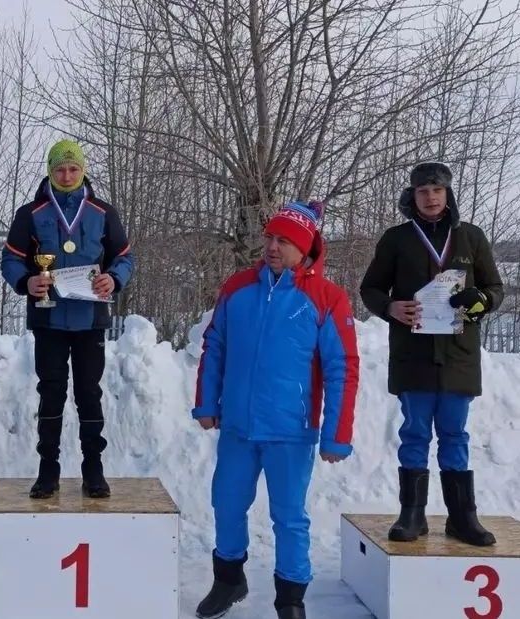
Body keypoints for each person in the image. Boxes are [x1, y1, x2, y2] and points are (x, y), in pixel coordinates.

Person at [192, 201, 359, 619]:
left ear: (304, 248)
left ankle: (290, 599)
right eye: (269, 237)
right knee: (226, 504)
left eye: (284, 240)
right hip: (238, 428)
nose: (272, 246)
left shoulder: (326, 298)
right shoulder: (238, 287)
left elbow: (342, 369)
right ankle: (229, 579)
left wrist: (336, 433)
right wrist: (206, 402)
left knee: (289, 518)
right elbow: (215, 346)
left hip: (290, 429)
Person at [360, 161, 503, 546]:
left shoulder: (471, 237)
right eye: (423, 191)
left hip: (458, 354)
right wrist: (390, 308)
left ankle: (462, 517)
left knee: (455, 433)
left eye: (437, 190)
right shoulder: (397, 239)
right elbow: (370, 289)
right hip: (414, 353)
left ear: (448, 193)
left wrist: (481, 301)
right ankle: (412, 516)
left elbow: (496, 288)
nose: (431, 197)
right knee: (415, 433)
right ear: (413, 195)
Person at [1, 139, 135, 500]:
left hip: (90, 319)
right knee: (51, 394)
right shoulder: (30, 213)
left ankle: (94, 468)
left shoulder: (104, 212)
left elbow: (124, 257)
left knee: (89, 394)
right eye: (60, 168)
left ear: (83, 170)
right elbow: (11, 260)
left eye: (73, 168)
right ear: (50, 170)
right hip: (48, 320)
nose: (67, 174)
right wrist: (26, 280)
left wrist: (115, 278)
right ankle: (48, 470)